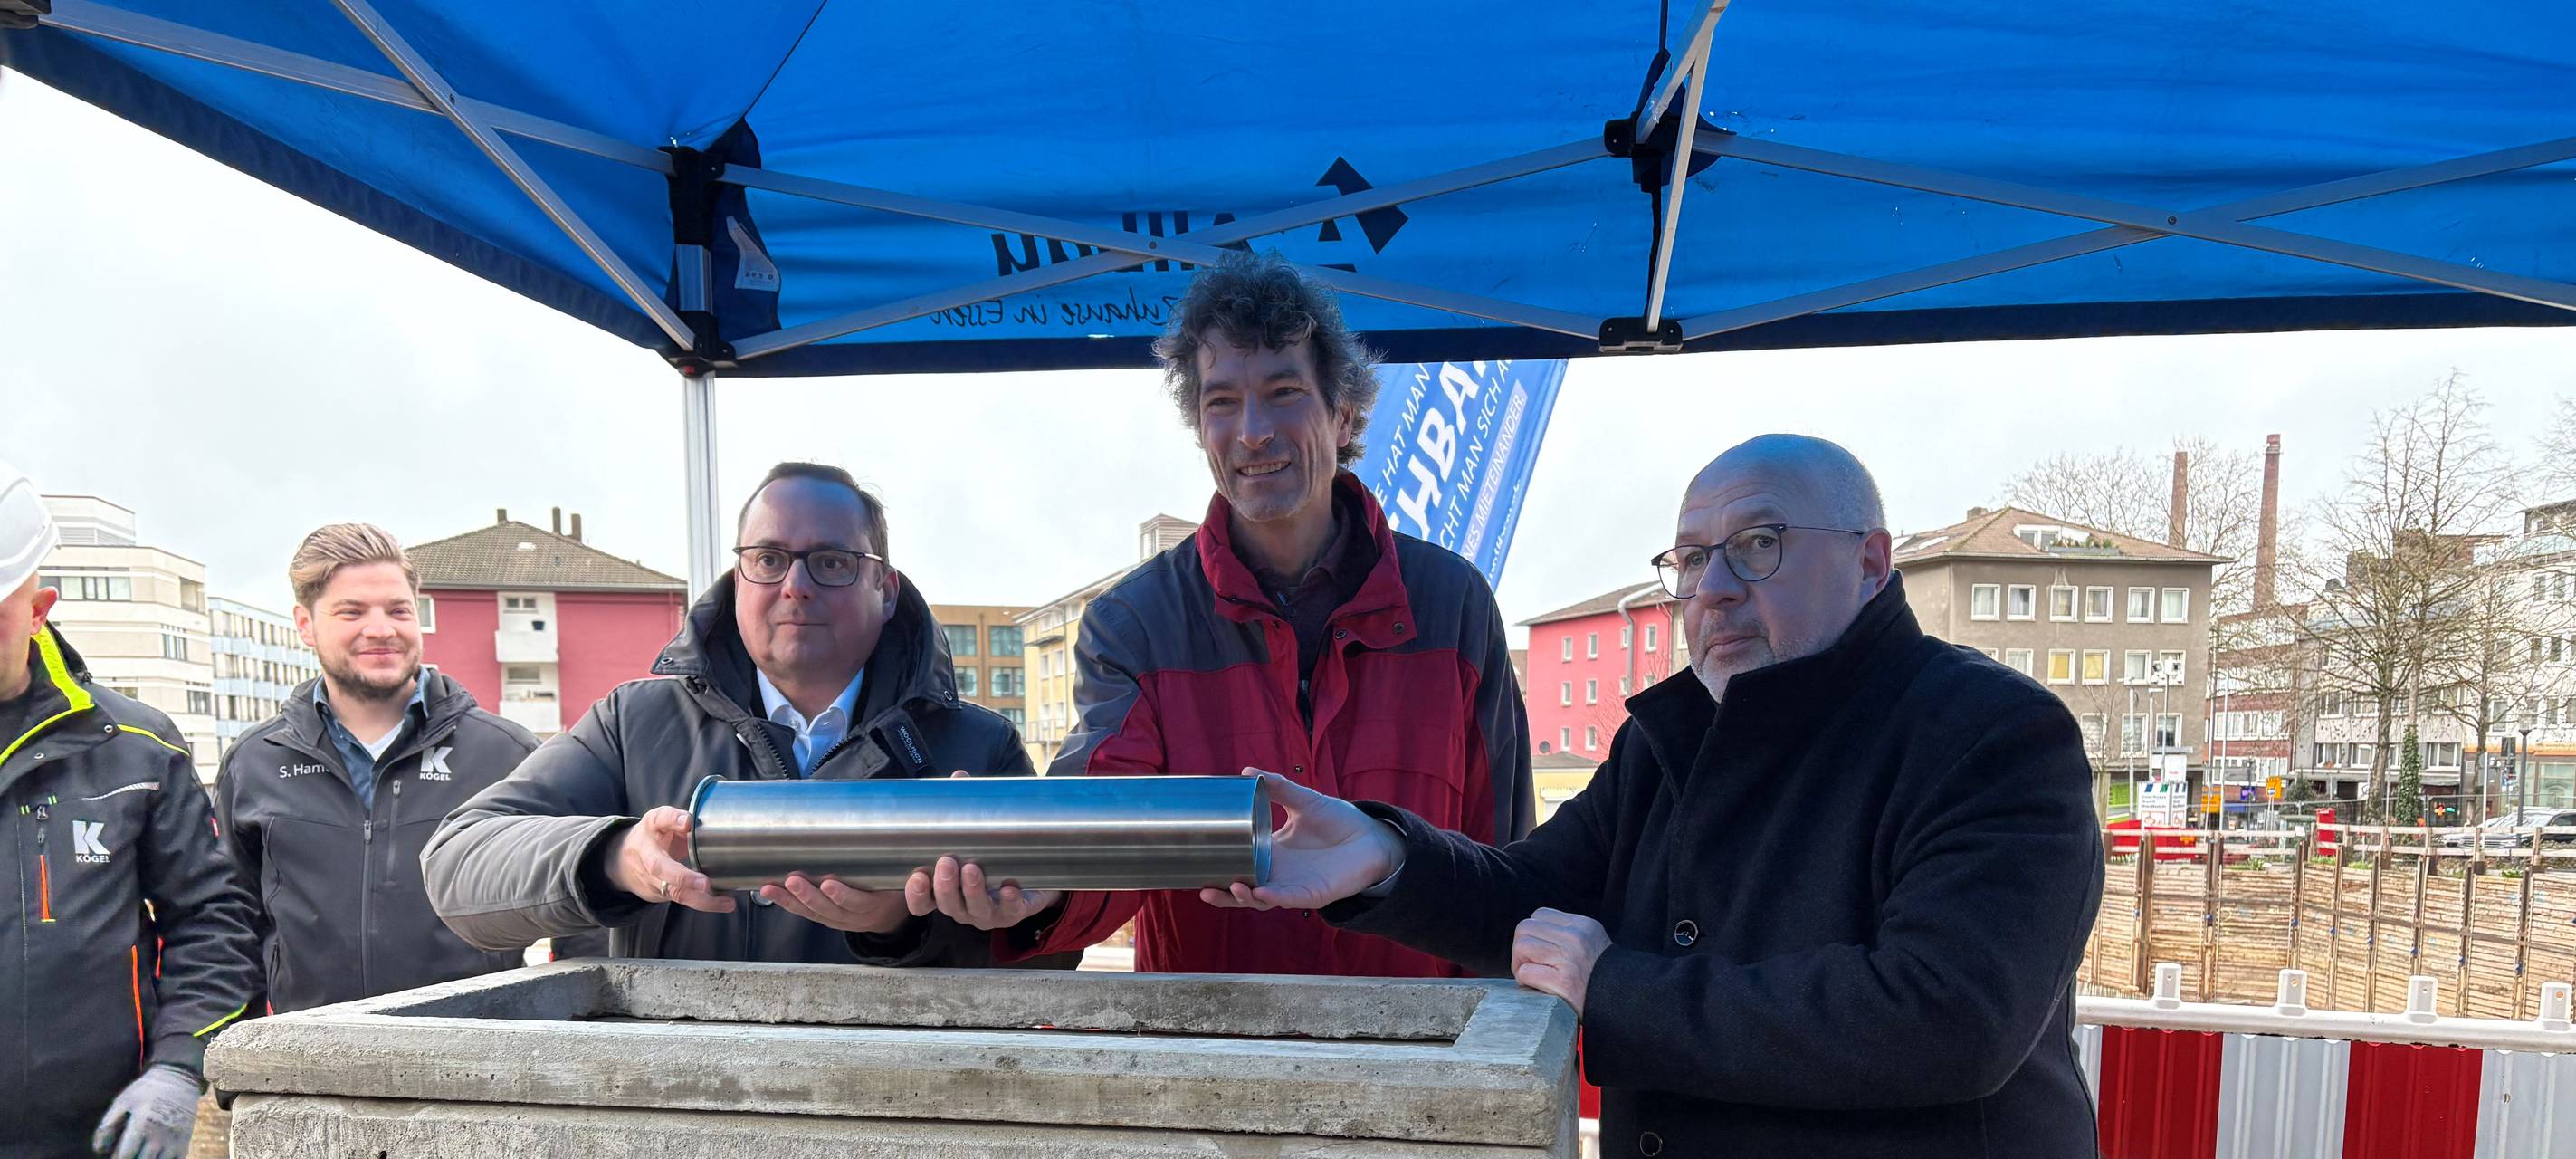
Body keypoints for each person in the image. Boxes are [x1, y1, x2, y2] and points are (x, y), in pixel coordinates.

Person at [1206, 436, 2104, 1157]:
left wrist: (1615, 988)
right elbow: (1531, 896)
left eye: (1758, 545)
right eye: (1689, 558)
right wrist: (1383, 857)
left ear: (1869, 560)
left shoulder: (1988, 734)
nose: (1710, 590)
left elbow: (1948, 1017)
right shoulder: (1667, 741)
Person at [938, 250, 1535, 978]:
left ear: (1343, 413)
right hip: (1212, 1063)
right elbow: (1107, 816)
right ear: (1199, 425)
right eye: (1222, 401)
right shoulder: (1137, 622)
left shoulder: (1454, 604)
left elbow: (1503, 853)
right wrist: (1039, 883)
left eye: (1283, 391)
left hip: (1423, 1061)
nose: (1252, 430)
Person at [425, 462, 1072, 969]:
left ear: (885, 587)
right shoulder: (633, 724)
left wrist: (900, 923)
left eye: (833, 562)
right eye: (768, 559)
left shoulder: (979, 746)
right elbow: (459, 867)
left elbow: (1054, 952)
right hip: (688, 1113)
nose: (796, 585)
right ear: (737, 578)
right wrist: (621, 856)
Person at [0, 458, 260, 1159]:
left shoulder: (137, 748)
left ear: (37, 609)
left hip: (97, 1137)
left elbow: (211, 920)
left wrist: (178, 1069)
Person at [214, 524, 539, 1013]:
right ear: (305, 624)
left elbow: (579, 911)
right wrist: (235, 1070)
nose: (382, 629)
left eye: (398, 610)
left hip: (474, 1065)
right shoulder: (255, 761)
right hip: (307, 1062)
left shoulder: (506, 755)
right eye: (352, 612)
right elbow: (229, 928)